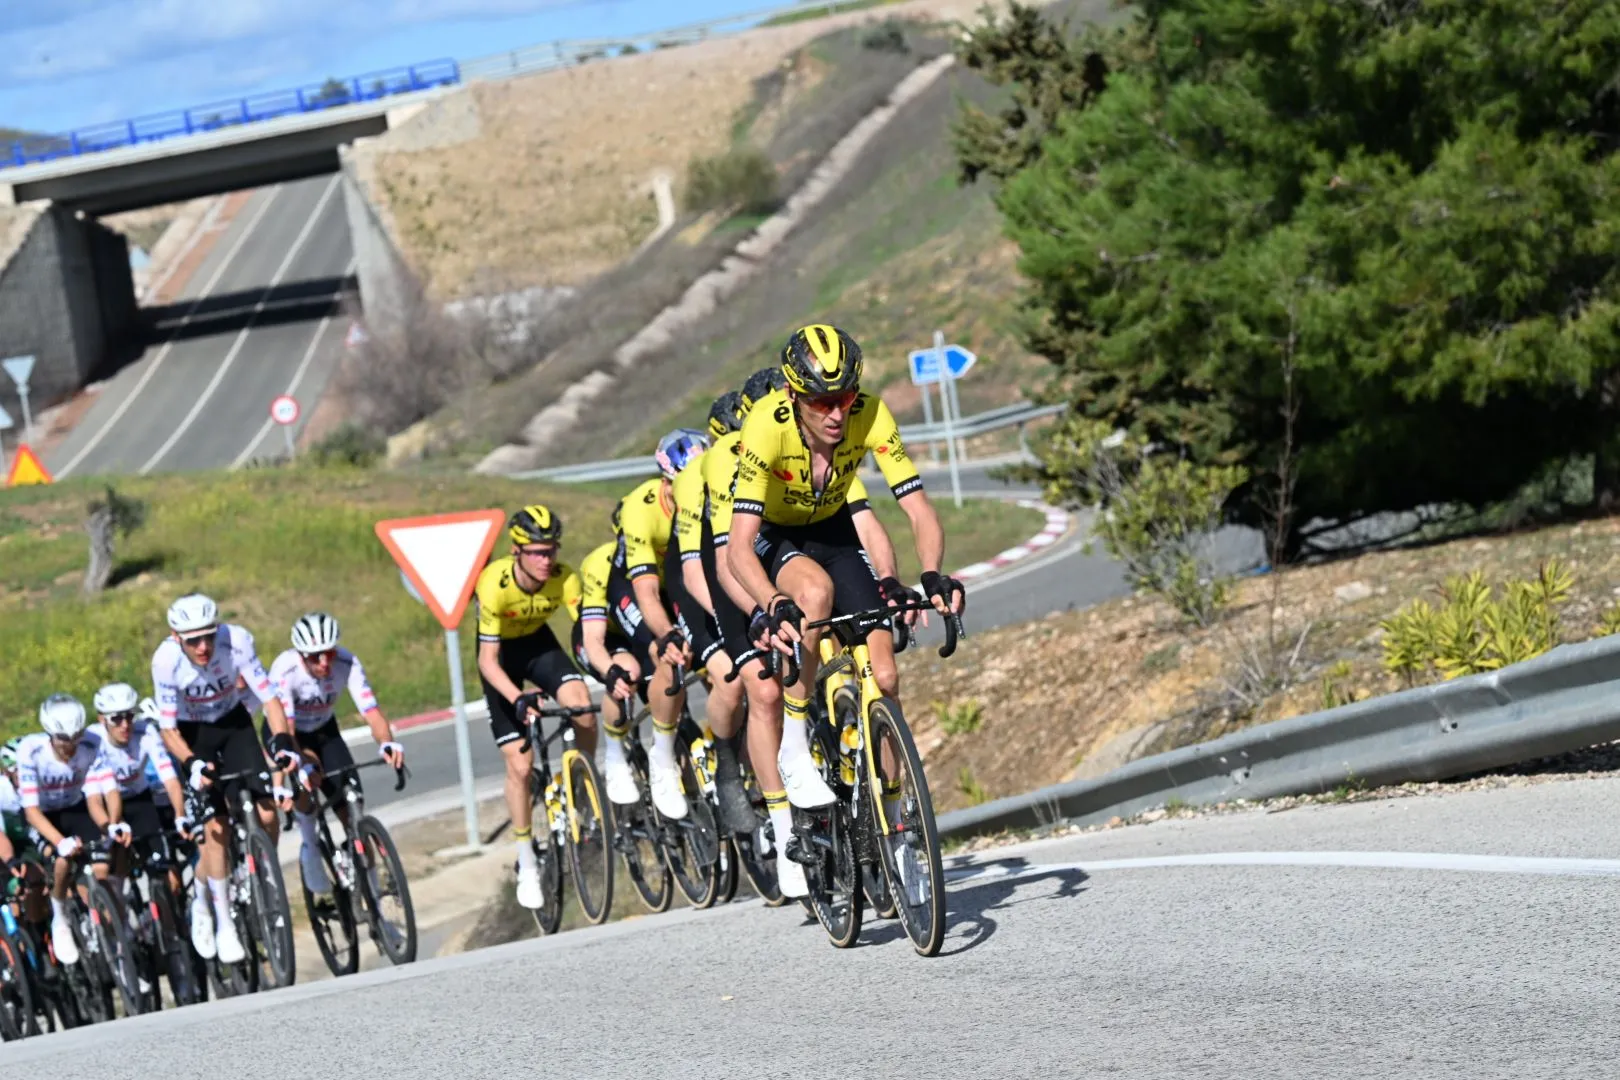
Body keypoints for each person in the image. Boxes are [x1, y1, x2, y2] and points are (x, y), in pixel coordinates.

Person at [725, 326, 966, 884]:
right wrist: (771, 601)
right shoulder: (765, 424)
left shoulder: (872, 415)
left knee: (885, 675)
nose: (837, 413)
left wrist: (931, 573)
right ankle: (794, 743)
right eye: (821, 401)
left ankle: (899, 827)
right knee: (813, 594)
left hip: (832, 530)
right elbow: (737, 548)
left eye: (846, 397)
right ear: (793, 395)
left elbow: (917, 507)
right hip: (776, 535)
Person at [695, 372, 911, 894]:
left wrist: (887, 580)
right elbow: (728, 561)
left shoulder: (823, 447)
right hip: (739, 571)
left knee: (853, 653)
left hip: (805, 547)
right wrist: (760, 612)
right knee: (765, 690)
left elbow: (863, 522)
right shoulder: (732, 457)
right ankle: (782, 824)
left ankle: (885, 807)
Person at [152, 593, 297, 965]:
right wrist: (191, 763)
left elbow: (270, 700)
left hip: (233, 723)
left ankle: (262, 869)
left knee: (267, 811)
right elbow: (167, 729)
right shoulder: (166, 661)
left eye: (208, 636)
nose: (203, 647)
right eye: (193, 641)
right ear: (176, 637)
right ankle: (215, 913)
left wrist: (283, 742)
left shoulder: (238, 641)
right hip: (192, 734)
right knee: (217, 827)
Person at [473, 504, 599, 910]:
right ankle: (527, 859)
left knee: (582, 706)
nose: (548, 560)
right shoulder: (494, 584)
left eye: (553, 550)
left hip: (539, 646)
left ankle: (583, 788)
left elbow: (586, 632)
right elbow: (487, 661)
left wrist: (606, 665)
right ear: (517, 551)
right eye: (539, 552)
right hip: (502, 661)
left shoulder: (564, 578)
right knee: (521, 765)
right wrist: (517, 697)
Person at [605, 428, 710, 821]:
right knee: (667, 654)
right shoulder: (641, 508)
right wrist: (665, 634)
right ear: (667, 483)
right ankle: (661, 755)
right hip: (635, 588)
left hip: (680, 582)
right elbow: (647, 592)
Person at [266, 612, 404, 897]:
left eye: (328, 654)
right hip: (287, 733)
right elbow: (287, 730)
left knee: (352, 805)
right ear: (301, 655)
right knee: (308, 777)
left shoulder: (347, 662)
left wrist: (387, 743)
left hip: (324, 729)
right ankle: (310, 847)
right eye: (315, 657)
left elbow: (371, 711)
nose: (324, 663)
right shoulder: (285, 670)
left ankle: (374, 903)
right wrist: (301, 767)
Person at [17, 694, 110, 965]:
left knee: (102, 864)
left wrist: (110, 824)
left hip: (75, 807)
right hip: (43, 815)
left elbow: (102, 791)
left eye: (75, 738)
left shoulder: (93, 742)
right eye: (63, 740)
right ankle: (60, 915)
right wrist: (60, 842)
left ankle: (113, 936)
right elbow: (31, 811)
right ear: (49, 734)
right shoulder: (30, 751)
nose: (70, 746)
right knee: (62, 861)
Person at [86, 682, 190, 902]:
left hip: (140, 799)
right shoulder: (93, 741)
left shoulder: (146, 732)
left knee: (166, 869)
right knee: (113, 860)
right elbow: (94, 798)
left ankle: (170, 917)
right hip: (107, 803)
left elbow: (170, 779)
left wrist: (180, 815)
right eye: (116, 719)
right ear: (102, 719)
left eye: (129, 716)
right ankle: (119, 908)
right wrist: (112, 825)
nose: (125, 725)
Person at [569, 528, 644, 806]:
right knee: (627, 672)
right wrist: (610, 671)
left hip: (640, 634)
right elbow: (593, 638)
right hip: (603, 637)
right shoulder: (600, 563)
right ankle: (614, 755)